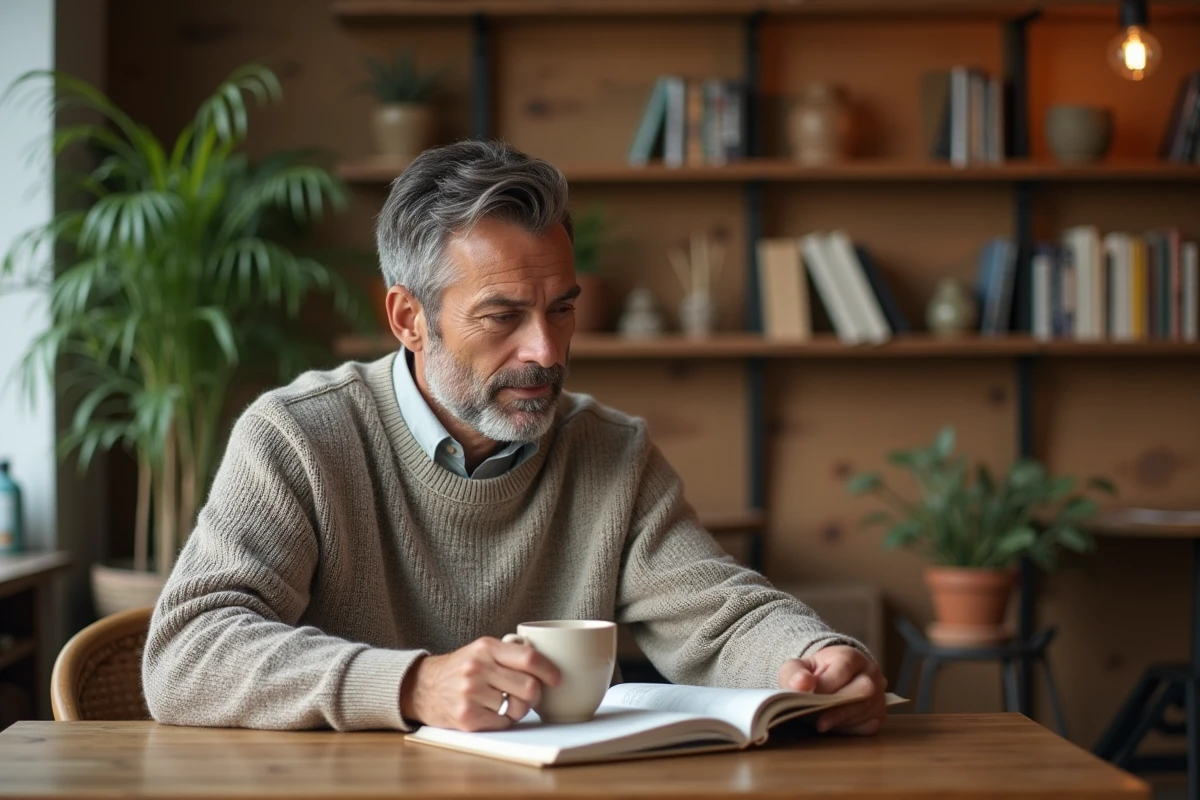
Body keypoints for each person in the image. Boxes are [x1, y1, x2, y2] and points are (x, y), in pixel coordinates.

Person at [142, 139, 888, 736]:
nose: (546, 350)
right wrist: (410, 684)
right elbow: (188, 651)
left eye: (561, 309)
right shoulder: (298, 437)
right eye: (503, 317)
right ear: (408, 319)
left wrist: (814, 656)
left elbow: (723, 616)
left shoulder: (610, 452)